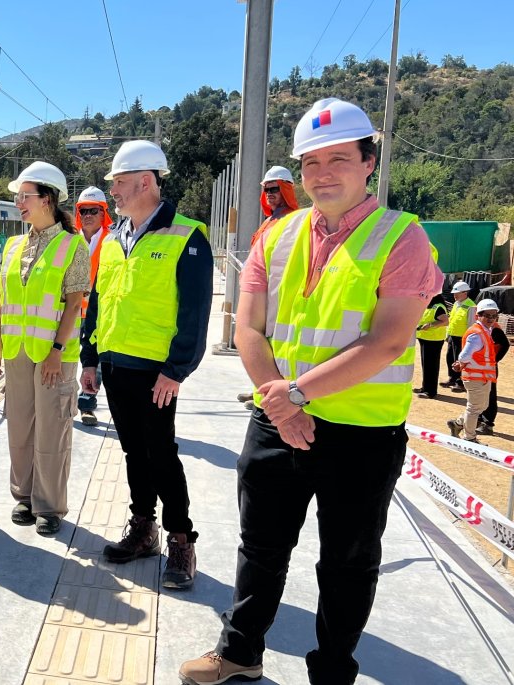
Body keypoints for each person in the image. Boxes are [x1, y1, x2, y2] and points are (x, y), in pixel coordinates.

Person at [179, 97, 442, 685]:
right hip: (277, 422)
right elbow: (248, 327)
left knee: (348, 564)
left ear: (369, 162)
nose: (322, 173)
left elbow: (388, 341)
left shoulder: (403, 239)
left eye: (339, 159)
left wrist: (292, 395)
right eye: (311, 162)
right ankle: (240, 652)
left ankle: (331, 674)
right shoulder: (275, 235)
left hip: (361, 433)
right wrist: (282, 404)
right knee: (260, 547)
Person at [80, 140, 212, 591]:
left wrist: (176, 370)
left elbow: (194, 313)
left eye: (119, 182)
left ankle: (180, 539)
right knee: (134, 453)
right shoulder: (113, 239)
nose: (113, 191)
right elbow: (99, 302)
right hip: (115, 364)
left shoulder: (187, 236)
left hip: (157, 372)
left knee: (161, 454)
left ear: (145, 181)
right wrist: (90, 359)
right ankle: (143, 528)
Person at [0, 161, 88, 537]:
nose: (18, 202)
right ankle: (24, 496)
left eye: (24, 196)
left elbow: (74, 303)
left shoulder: (73, 245)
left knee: (52, 430)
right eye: (18, 197)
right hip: (17, 351)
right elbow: (4, 300)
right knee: (19, 427)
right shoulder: (14, 245)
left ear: (47, 199)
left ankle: (48, 506)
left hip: (53, 355)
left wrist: (57, 350)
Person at [238, 166, 301, 406]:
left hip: (278, 291)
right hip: (261, 290)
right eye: (266, 190)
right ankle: (260, 387)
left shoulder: (293, 221)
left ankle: (273, 392)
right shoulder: (271, 220)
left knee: (275, 343)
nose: (270, 194)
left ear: (286, 190)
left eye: (274, 189)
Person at [74, 186, 115, 427]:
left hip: (99, 312)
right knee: (67, 358)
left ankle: (87, 405)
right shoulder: (70, 239)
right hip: (71, 311)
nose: (87, 215)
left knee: (94, 362)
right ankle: (66, 402)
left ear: (103, 213)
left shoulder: (114, 239)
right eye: (83, 211)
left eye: (93, 210)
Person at [447, 298, 500, 443]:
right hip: (475, 377)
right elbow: (464, 355)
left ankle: (457, 424)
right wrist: (461, 363)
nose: (491, 318)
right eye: (487, 315)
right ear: (478, 315)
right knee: (474, 408)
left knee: (481, 406)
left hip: (482, 377)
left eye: (494, 315)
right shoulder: (477, 334)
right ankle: (469, 437)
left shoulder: (485, 330)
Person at [413, 293, 449, 398]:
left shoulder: (438, 307)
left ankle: (430, 391)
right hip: (425, 339)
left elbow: (445, 321)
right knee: (426, 365)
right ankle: (425, 387)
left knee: (431, 366)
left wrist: (430, 325)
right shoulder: (428, 306)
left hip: (434, 340)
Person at [443, 280, 475, 393]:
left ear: (465, 293)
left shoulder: (471, 306)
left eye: (457, 293)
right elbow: (452, 319)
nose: (454, 295)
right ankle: (452, 378)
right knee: (450, 358)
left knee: (460, 360)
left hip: (462, 338)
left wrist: (469, 341)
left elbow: (471, 325)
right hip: (453, 336)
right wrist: (448, 335)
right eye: (454, 293)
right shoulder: (456, 304)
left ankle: (460, 382)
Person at [480, 320, 509, 435]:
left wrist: (495, 360)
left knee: (490, 394)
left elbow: (505, 344)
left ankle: (487, 424)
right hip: (478, 367)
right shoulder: (480, 326)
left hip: (489, 367)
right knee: (479, 394)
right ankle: (479, 419)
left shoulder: (494, 328)